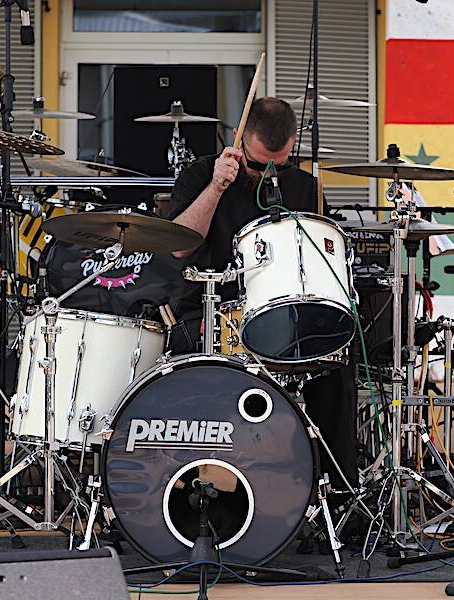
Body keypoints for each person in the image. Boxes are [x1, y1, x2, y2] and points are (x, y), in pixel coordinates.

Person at [167, 97, 358, 489]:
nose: (269, 172)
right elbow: (179, 246)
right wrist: (217, 187)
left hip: (287, 319)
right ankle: (208, 488)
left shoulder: (306, 187)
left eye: (280, 163)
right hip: (212, 312)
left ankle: (335, 494)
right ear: (240, 139)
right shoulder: (201, 174)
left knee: (338, 364)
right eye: (256, 164)